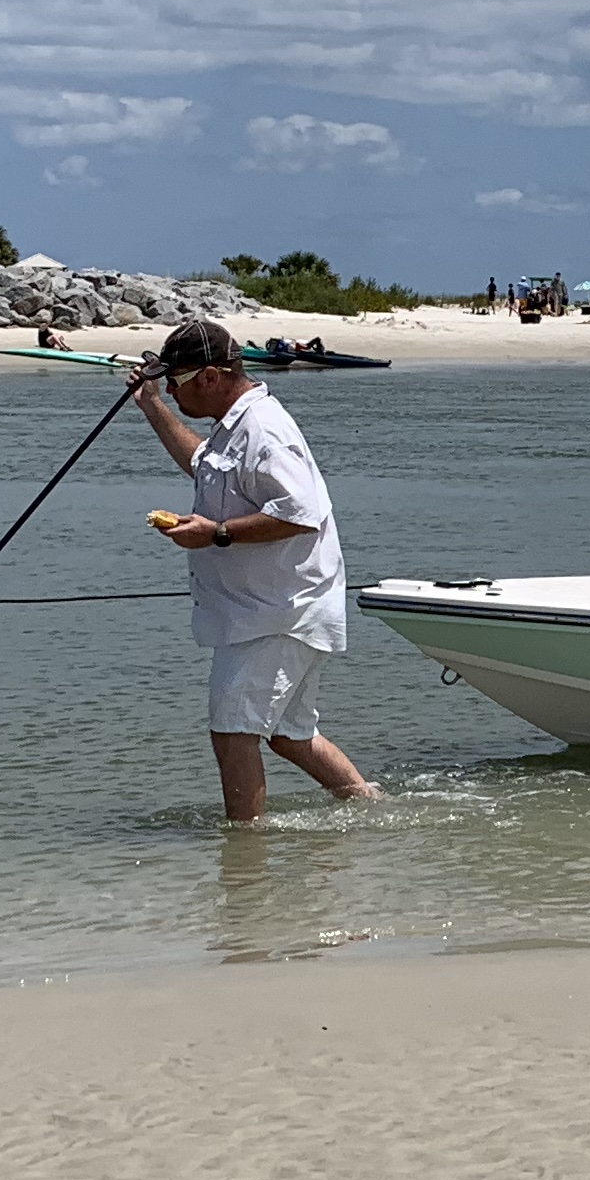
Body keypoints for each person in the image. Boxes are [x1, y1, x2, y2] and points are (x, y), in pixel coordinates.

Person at [134, 318, 378, 816]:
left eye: (174, 381)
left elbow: (301, 512)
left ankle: (246, 854)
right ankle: (375, 811)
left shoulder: (264, 430)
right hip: (267, 611)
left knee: (232, 732)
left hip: (280, 612)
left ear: (209, 376)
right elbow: (204, 464)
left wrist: (217, 532)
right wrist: (153, 406)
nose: (171, 391)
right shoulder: (233, 426)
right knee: (290, 735)